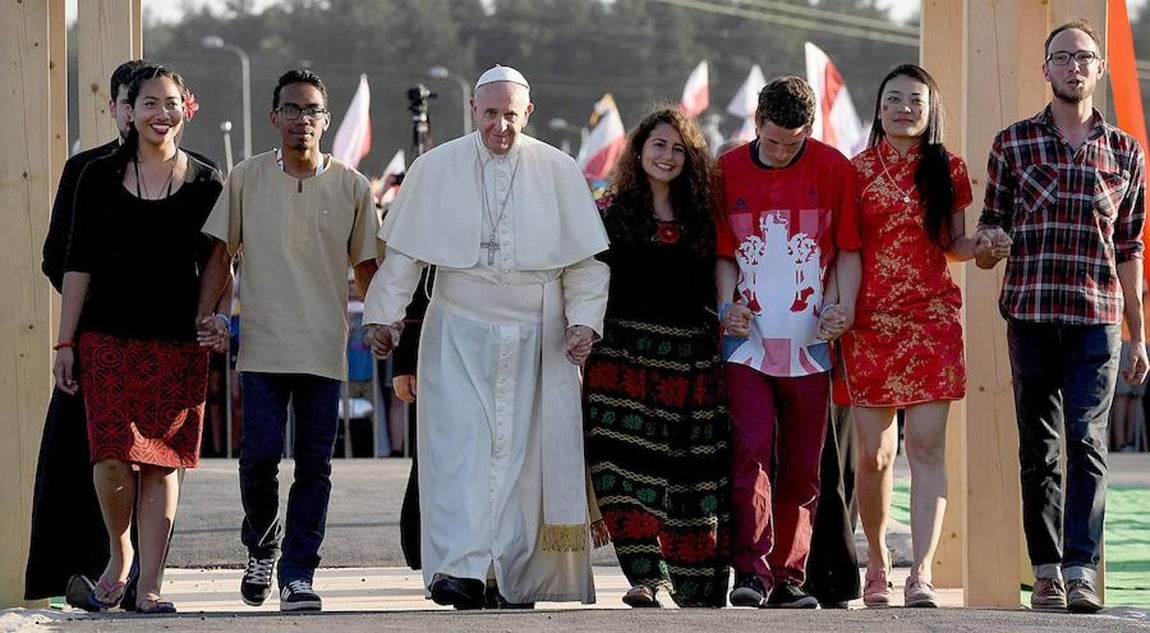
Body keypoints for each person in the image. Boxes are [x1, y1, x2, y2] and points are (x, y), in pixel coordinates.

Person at [363, 64, 609, 610]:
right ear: (474, 110)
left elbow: (587, 266)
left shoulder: (560, 170)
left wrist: (582, 324)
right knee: (459, 454)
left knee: (522, 463)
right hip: (457, 332)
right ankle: (458, 569)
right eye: (491, 114)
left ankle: (510, 574)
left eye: (511, 116)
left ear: (529, 113)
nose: (501, 126)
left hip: (537, 336)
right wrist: (383, 317)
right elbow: (404, 256)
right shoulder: (435, 168)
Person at [974, 20, 1146, 614]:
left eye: (1085, 58)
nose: (1075, 67)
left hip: (1098, 318)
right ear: (1045, 70)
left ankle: (1081, 571)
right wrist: (991, 242)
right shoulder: (1013, 143)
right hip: (1030, 313)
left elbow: (1130, 248)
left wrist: (1138, 335)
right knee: (1040, 448)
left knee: (1089, 443)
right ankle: (1045, 571)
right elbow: (990, 223)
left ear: (1099, 69)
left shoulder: (1126, 152)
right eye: (1063, 58)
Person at [196, 69, 380, 613]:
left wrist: (382, 321)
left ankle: (299, 572)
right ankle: (262, 549)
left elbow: (368, 266)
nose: (303, 120)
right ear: (274, 117)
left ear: (326, 120)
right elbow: (219, 255)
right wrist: (210, 315)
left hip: (325, 348)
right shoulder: (246, 178)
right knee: (257, 459)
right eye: (293, 109)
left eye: (313, 111)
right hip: (262, 347)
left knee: (315, 467)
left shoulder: (352, 184)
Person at [51, 65, 223, 614]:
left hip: (176, 341)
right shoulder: (96, 175)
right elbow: (76, 261)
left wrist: (211, 315)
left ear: (186, 107)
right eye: (150, 103)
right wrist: (64, 343)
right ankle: (119, 555)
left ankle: (149, 585)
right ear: (130, 110)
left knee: (162, 461)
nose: (161, 114)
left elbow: (220, 259)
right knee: (111, 458)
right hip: (106, 338)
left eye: (171, 103)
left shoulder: (207, 180)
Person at [715, 75, 862, 609]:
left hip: (810, 343)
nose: (780, 152)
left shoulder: (833, 168)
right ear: (756, 123)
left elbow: (848, 249)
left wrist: (842, 307)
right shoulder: (726, 169)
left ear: (810, 132)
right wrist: (726, 307)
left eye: (792, 143)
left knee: (802, 464)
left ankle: (789, 576)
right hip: (747, 344)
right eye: (772, 140)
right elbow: (724, 253)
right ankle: (749, 573)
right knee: (751, 452)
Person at [835, 63, 975, 609]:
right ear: (878, 108)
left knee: (926, 448)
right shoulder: (856, 171)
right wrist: (838, 307)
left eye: (916, 100)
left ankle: (922, 572)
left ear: (930, 109)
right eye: (893, 98)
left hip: (931, 320)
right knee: (872, 455)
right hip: (868, 324)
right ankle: (876, 557)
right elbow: (845, 247)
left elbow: (955, 245)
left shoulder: (950, 169)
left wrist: (983, 245)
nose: (904, 108)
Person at [582, 107, 731, 608]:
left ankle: (697, 588)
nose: (667, 156)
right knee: (619, 473)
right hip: (620, 364)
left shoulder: (705, 219)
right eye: (658, 146)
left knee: (691, 483)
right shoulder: (607, 211)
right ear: (639, 150)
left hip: (692, 365)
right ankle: (646, 577)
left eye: (677, 149)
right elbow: (582, 282)